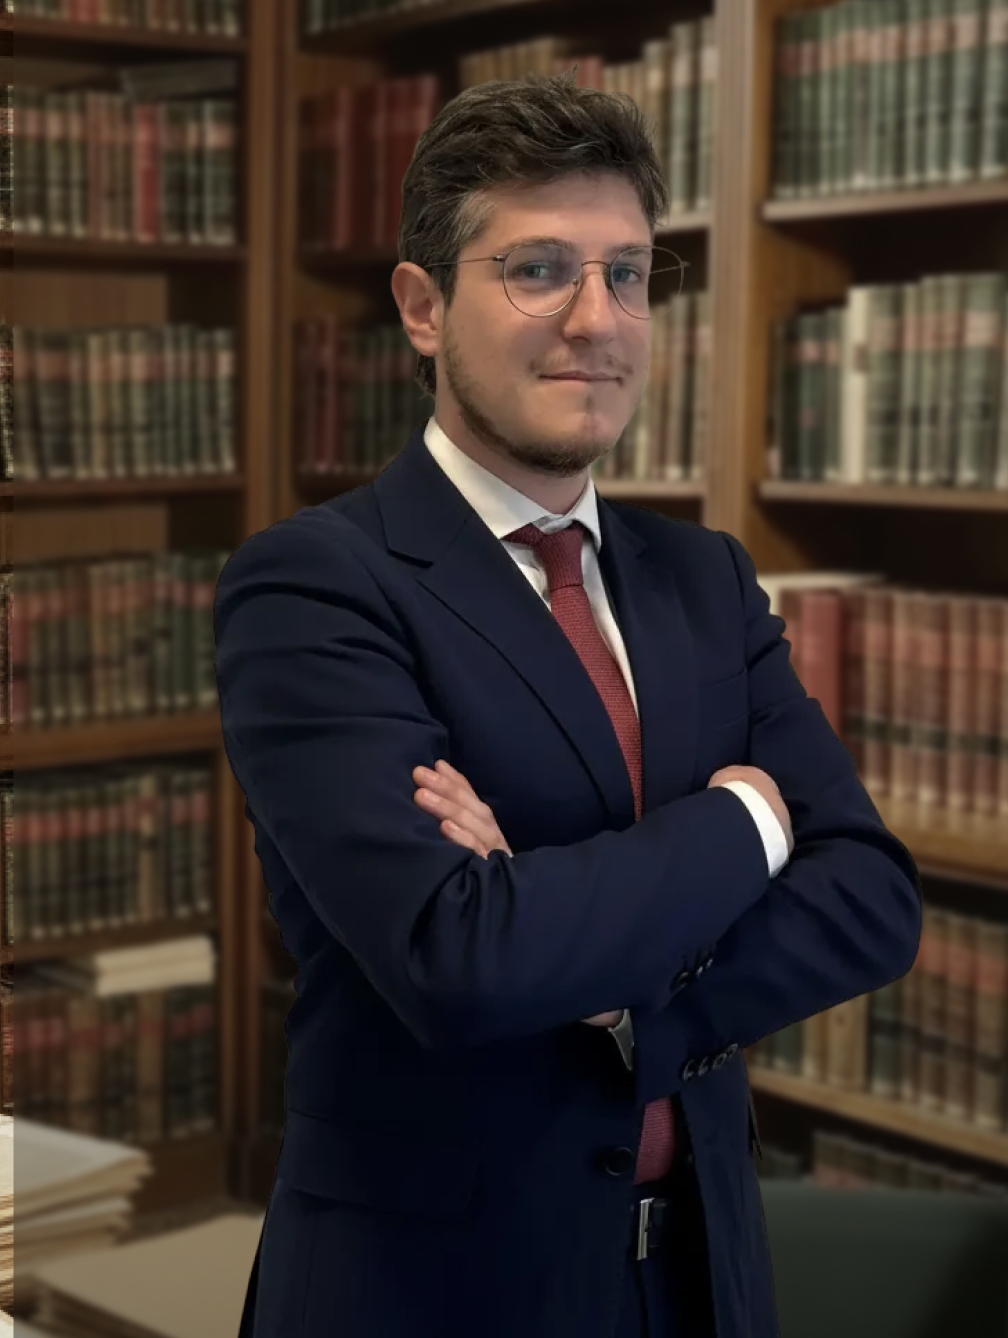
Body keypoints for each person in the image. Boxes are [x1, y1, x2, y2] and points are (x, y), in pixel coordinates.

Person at [216, 68, 921, 1338]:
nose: (596, 320)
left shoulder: (703, 578)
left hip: (699, 1282)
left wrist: (625, 999)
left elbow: (871, 896)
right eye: (538, 269)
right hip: (436, 1296)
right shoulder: (316, 585)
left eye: (630, 274)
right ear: (423, 308)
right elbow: (462, 960)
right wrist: (746, 830)